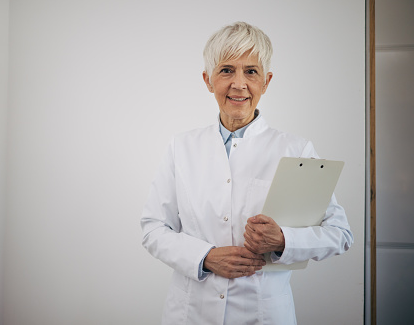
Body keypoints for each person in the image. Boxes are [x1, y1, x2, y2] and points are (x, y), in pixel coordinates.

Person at [140, 21, 353, 325]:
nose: (238, 84)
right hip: (190, 313)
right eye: (226, 70)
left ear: (266, 81)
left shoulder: (296, 150)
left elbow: (340, 233)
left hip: (262, 314)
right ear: (208, 79)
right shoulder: (181, 147)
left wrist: (283, 239)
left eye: (250, 71)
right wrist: (205, 257)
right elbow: (153, 228)